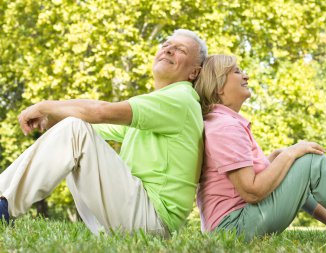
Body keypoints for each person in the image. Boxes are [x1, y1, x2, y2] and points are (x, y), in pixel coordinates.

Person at [0, 29, 207, 236]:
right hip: (135, 216)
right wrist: (53, 119)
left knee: (74, 129)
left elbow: (100, 112)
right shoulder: (162, 104)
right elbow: (87, 125)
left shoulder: (181, 98)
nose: (168, 50)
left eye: (180, 49)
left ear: (194, 72)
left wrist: (46, 106)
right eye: (166, 45)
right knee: (74, 127)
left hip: (151, 221)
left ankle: (3, 206)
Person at [194, 54, 326, 242]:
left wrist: (276, 158)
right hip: (234, 228)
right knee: (310, 162)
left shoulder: (221, 122)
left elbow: (237, 181)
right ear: (218, 86)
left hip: (231, 225)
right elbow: (251, 191)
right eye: (236, 71)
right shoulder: (225, 127)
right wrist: (291, 153)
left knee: (294, 164)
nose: (246, 76)